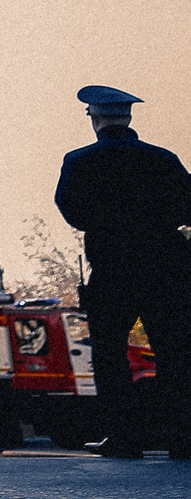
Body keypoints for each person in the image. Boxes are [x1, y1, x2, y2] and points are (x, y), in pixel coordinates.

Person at [55, 85, 191, 458]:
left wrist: (110, 225)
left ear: (94, 119)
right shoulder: (164, 159)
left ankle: (125, 437)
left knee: (110, 353)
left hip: (113, 266)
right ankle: (183, 436)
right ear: (128, 117)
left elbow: (71, 211)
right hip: (167, 267)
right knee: (175, 352)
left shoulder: (79, 161)